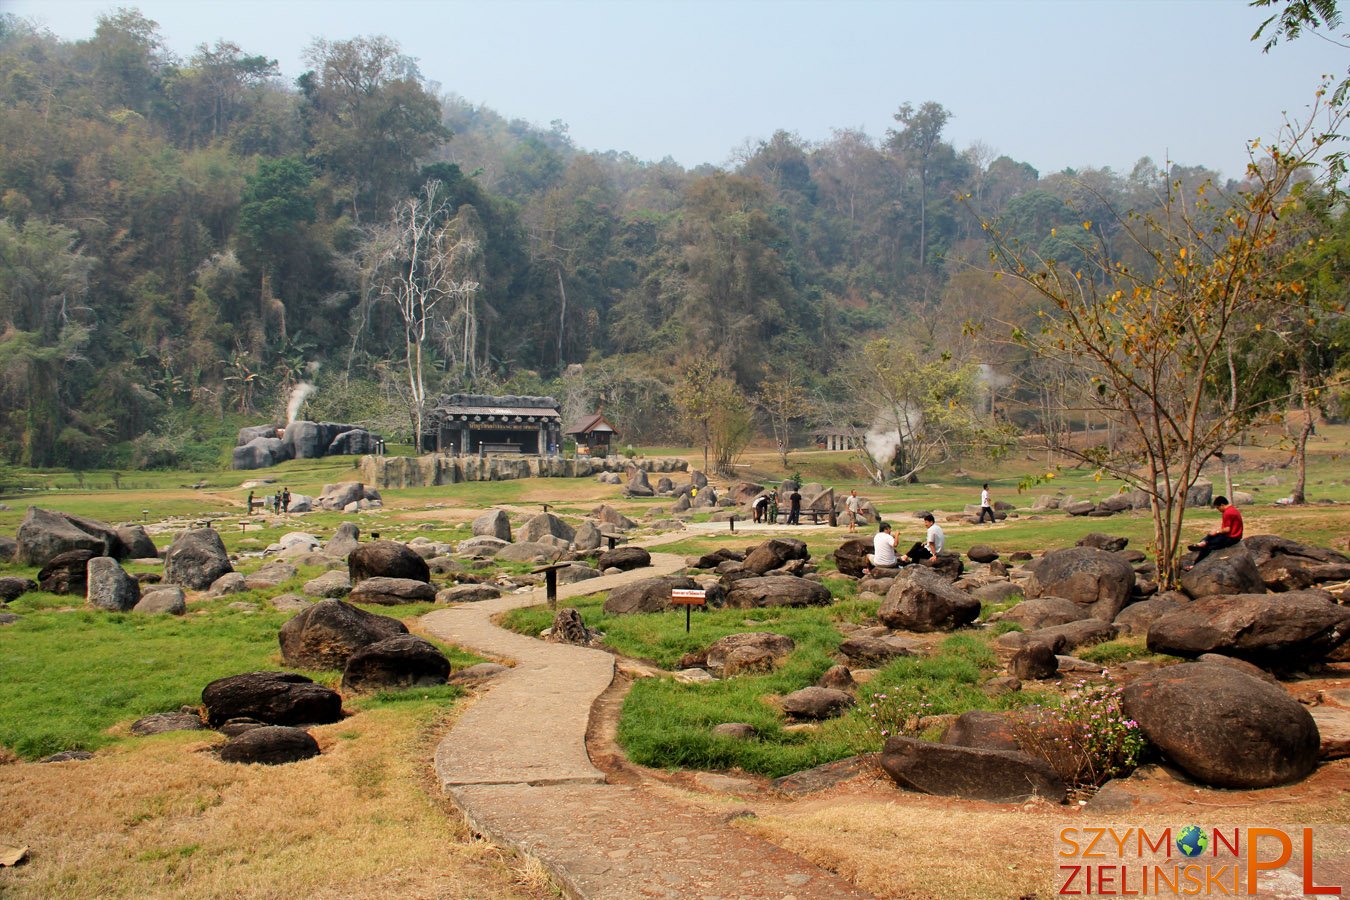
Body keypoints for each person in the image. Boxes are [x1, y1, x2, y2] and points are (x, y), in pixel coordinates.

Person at [1186, 496, 1244, 567]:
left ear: (1222, 505)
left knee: (1208, 546)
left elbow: (1227, 529)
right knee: (1211, 535)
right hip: (1234, 536)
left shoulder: (1227, 513)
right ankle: (1202, 542)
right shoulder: (1233, 510)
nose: (1218, 510)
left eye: (1218, 507)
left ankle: (1196, 564)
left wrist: (1217, 531)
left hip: (1231, 538)